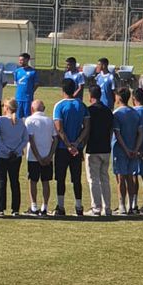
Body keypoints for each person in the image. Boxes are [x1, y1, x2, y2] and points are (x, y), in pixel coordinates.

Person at [52, 79, 86, 217]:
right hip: (77, 148)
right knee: (76, 178)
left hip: (62, 148)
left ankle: (60, 206)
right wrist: (77, 143)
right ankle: (78, 206)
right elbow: (87, 126)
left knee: (61, 178)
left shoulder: (59, 106)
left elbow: (59, 129)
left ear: (63, 90)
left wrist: (68, 145)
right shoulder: (82, 105)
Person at [82, 82, 115, 218]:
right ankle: (107, 207)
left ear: (90, 96)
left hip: (93, 148)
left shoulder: (89, 111)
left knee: (93, 179)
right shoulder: (108, 111)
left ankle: (96, 208)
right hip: (106, 148)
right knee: (105, 178)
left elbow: (86, 130)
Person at [0, 98, 27, 218]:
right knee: (14, 181)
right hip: (16, 156)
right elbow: (25, 139)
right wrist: (16, 151)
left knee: (2, 181)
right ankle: (15, 208)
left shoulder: (0, 120)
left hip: (2, 154)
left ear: (6, 108)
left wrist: (6, 150)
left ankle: (0, 207)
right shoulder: (21, 122)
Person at [110, 84, 142, 216]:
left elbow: (118, 135)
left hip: (120, 150)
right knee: (130, 177)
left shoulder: (116, 114)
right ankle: (131, 205)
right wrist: (135, 148)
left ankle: (122, 205)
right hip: (133, 150)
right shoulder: (135, 113)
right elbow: (141, 133)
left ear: (118, 97)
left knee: (121, 178)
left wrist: (126, 149)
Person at [24, 97, 57, 216]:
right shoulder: (49, 120)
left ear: (32, 109)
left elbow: (31, 140)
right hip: (47, 156)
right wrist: (49, 155)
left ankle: (34, 206)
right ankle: (45, 206)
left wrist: (37, 156)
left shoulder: (29, 120)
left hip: (33, 157)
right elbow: (55, 139)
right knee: (45, 181)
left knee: (33, 181)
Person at [13, 52, 38, 118]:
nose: (20, 61)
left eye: (22, 60)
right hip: (18, 98)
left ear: (27, 60)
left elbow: (36, 84)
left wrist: (30, 92)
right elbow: (16, 83)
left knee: (28, 117)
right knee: (18, 118)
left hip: (28, 99)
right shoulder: (17, 71)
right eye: (19, 60)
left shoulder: (33, 72)